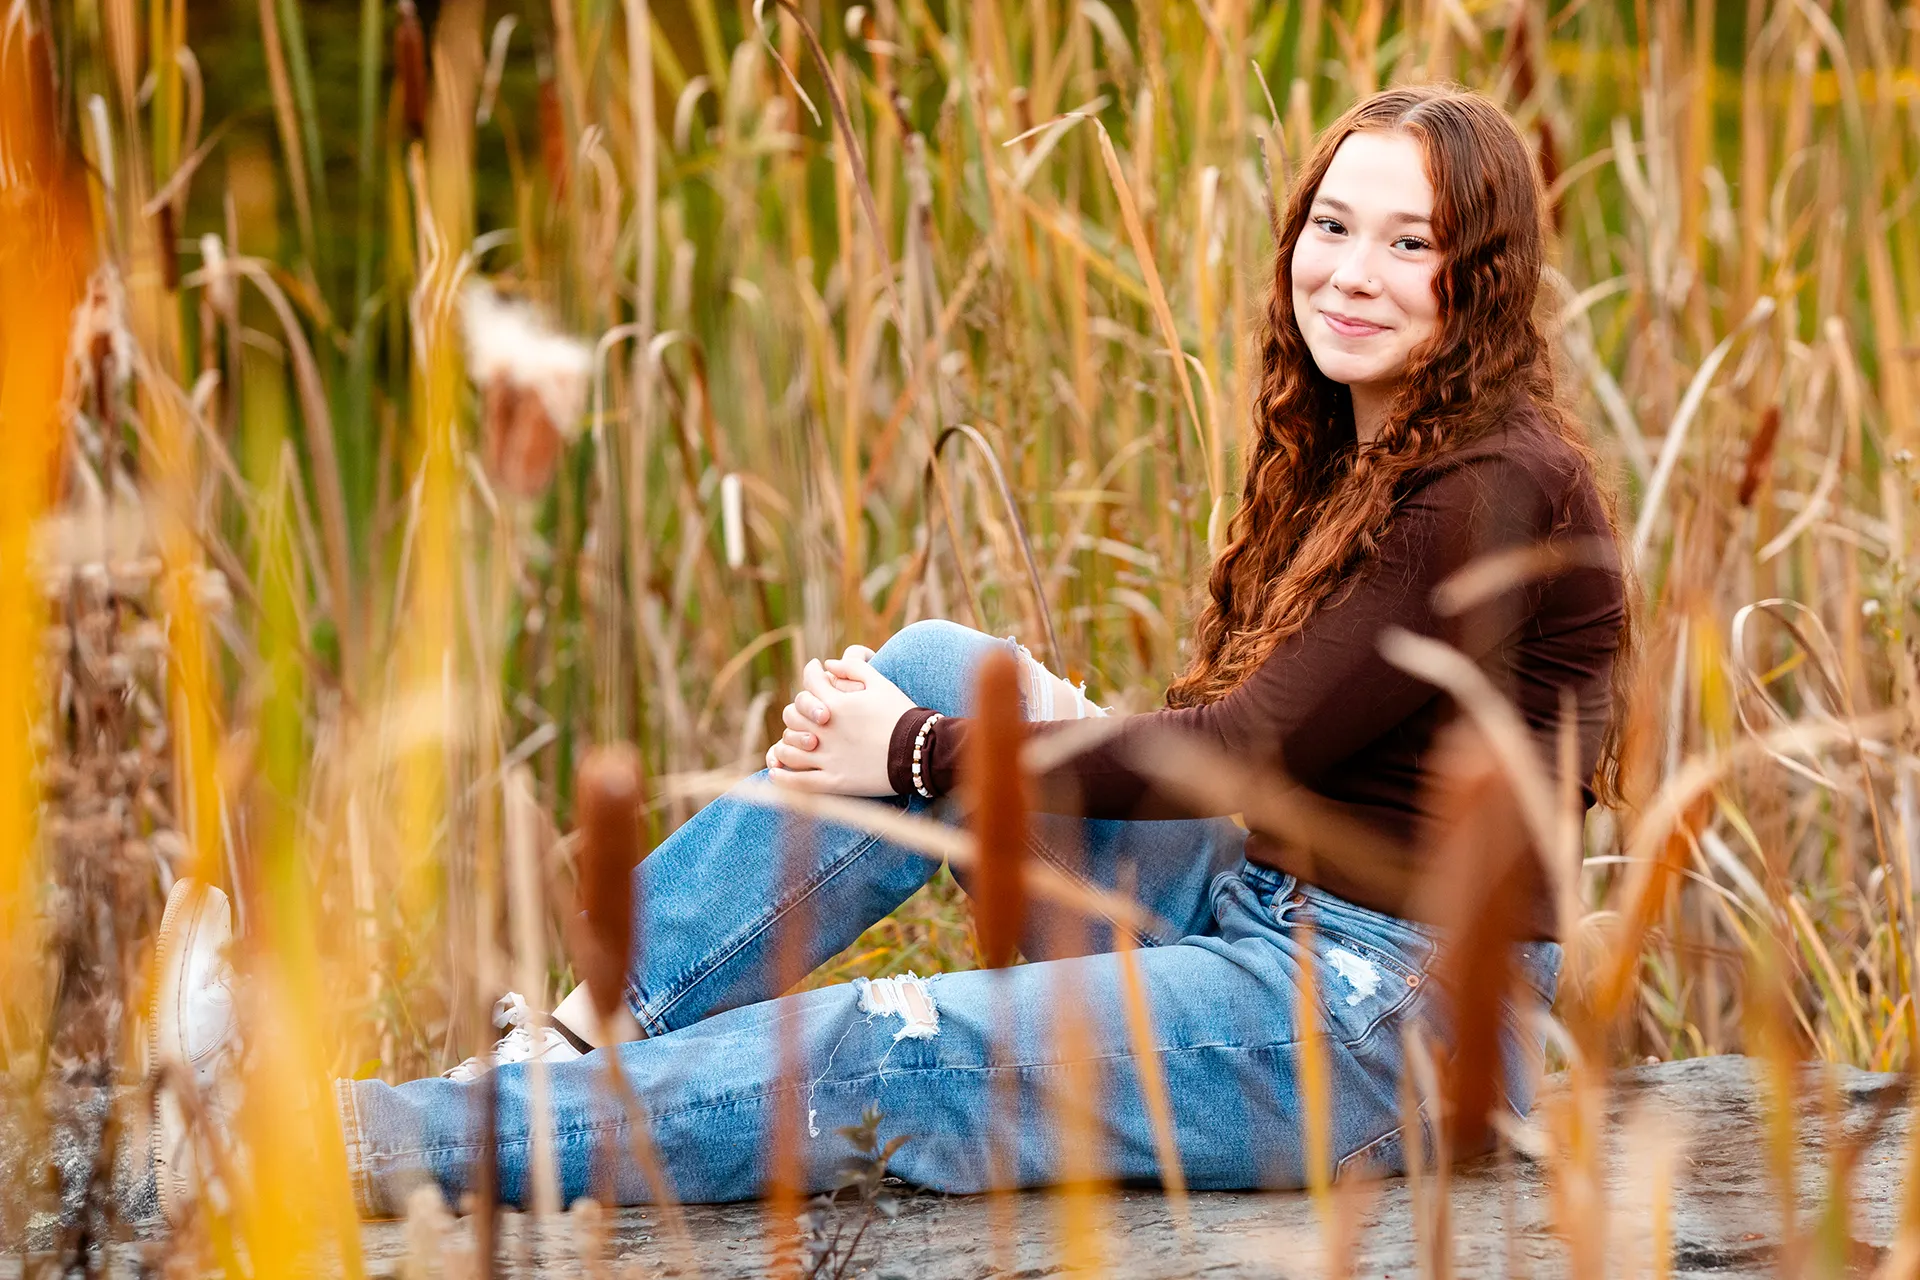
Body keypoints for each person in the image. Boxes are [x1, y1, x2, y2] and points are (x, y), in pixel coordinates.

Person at [148, 82, 1631, 1220]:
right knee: (932, 660)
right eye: (1332, 225)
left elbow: (1236, 753)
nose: (1352, 273)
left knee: (887, 1047)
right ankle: (566, 1053)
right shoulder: (1369, 451)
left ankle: (325, 1146)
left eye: (1411, 241)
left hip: (1392, 1027)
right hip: (1273, 918)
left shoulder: (1487, 486)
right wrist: (933, 729)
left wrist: (919, 761)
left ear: (1476, 277)